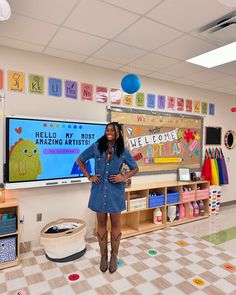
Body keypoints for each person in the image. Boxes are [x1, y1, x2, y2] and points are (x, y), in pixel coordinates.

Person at [77, 122, 139, 273]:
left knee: (116, 222)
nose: (109, 132)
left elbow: (135, 168)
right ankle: (103, 256)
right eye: (107, 130)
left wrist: (123, 177)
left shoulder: (123, 150)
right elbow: (80, 160)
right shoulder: (97, 147)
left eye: (112, 130)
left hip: (115, 192)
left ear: (118, 133)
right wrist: (89, 176)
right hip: (98, 191)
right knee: (101, 222)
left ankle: (114, 256)